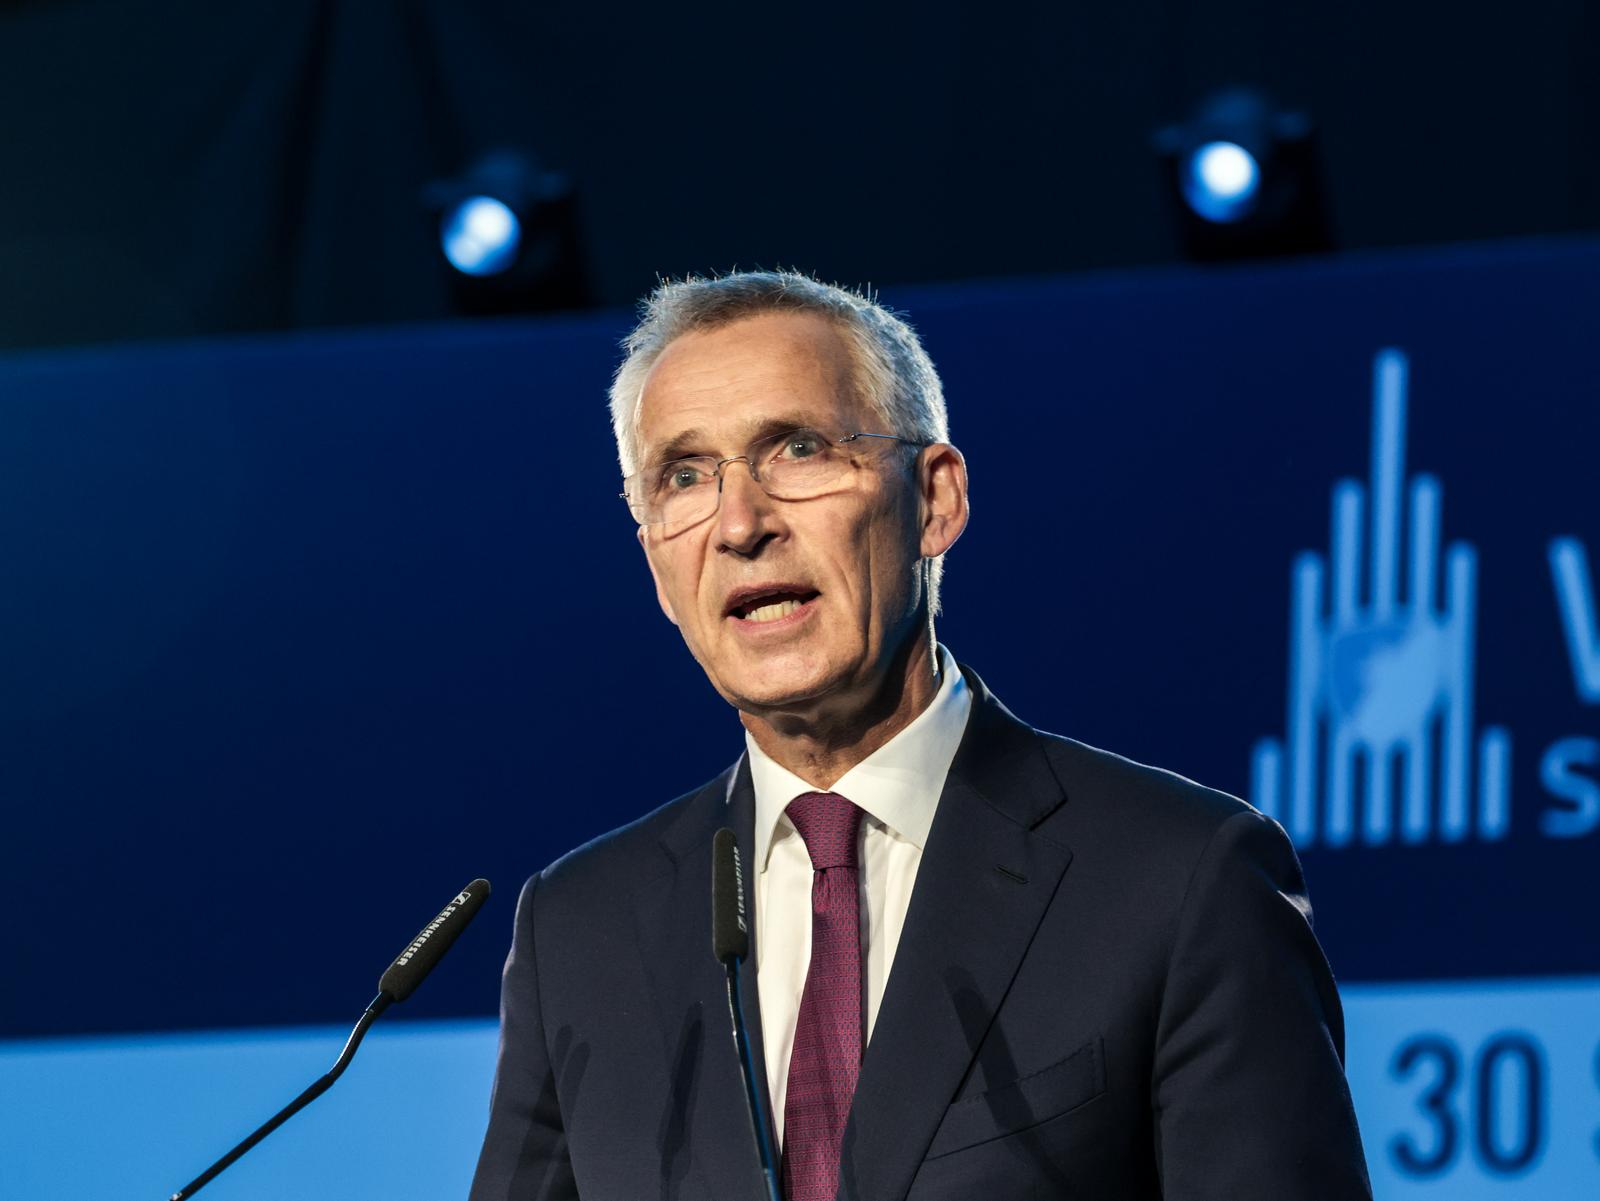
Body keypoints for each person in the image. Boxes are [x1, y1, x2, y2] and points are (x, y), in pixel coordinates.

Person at [469, 271, 1371, 1201]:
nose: (740, 524)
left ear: (934, 499)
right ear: (658, 563)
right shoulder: (579, 931)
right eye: (685, 477)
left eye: (798, 448)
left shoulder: (1180, 881)